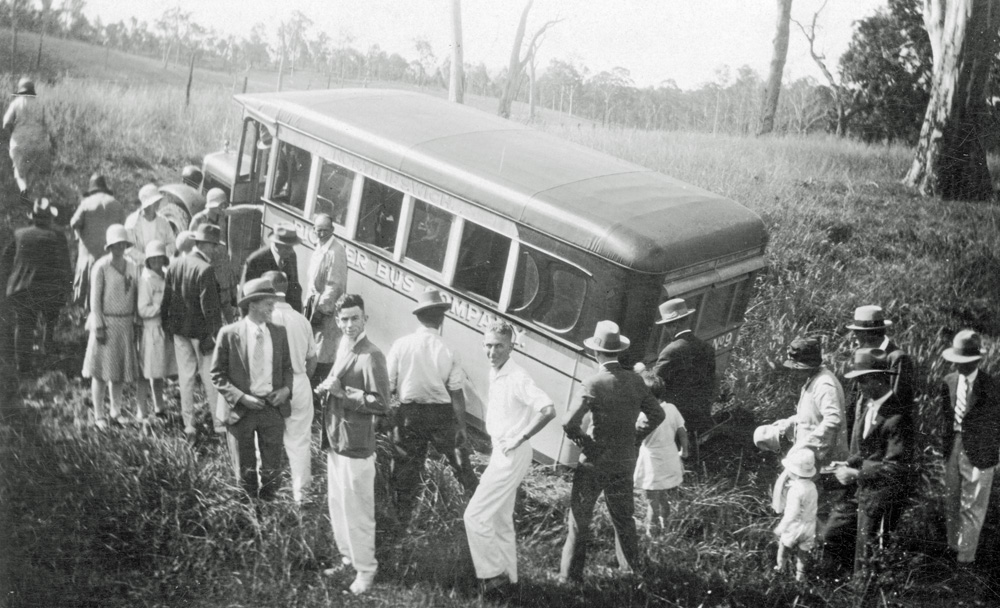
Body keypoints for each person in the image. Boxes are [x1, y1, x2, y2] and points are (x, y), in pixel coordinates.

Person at [558, 320, 665, 583]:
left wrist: (586, 443)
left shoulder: (593, 383)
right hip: (625, 460)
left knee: (579, 520)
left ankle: (569, 578)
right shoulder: (636, 381)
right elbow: (657, 413)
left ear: (596, 352)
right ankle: (631, 573)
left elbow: (568, 423)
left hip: (595, 462)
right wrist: (634, 437)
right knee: (624, 518)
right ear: (619, 352)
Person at [463, 321, 555, 596]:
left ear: (511, 347)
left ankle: (492, 577)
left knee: (475, 515)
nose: (492, 352)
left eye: (499, 346)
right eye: (488, 346)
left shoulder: (517, 377)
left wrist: (521, 437)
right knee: (501, 519)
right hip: (501, 451)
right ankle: (510, 578)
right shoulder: (498, 372)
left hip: (510, 453)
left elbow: (548, 410)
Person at [316, 293, 392, 596]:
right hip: (336, 441)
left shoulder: (372, 354)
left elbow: (382, 403)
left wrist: (341, 392)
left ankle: (366, 570)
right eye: (344, 319)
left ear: (365, 319)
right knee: (339, 505)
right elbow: (339, 384)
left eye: (354, 318)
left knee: (358, 511)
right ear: (337, 321)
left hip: (357, 446)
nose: (349, 324)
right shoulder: (343, 346)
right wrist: (328, 389)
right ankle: (349, 558)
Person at [387, 287, 479, 532]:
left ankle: (402, 524)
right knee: (461, 465)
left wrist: (388, 414)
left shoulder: (400, 345)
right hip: (441, 416)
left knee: (405, 471)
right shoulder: (449, 350)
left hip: (409, 415)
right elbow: (457, 392)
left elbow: (389, 385)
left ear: (418, 317)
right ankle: (481, 510)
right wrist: (460, 427)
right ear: (441, 318)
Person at [833, 348, 913, 597]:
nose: (859, 385)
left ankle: (863, 598)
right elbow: (866, 449)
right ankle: (844, 586)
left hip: (880, 496)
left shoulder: (898, 417)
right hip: (862, 490)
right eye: (857, 380)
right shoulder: (869, 407)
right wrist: (845, 465)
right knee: (833, 533)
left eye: (863, 379)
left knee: (867, 556)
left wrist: (857, 474)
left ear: (880, 378)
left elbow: (896, 467)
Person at [212, 277, 293, 500]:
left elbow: (288, 368)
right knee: (244, 471)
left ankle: (269, 512)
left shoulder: (279, 333)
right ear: (253, 305)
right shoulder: (229, 334)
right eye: (269, 304)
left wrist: (286, 390)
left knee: (272, 469)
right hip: (241, 411)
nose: (273, 308)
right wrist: (241, 397)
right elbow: (216, 374)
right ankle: (246, 513)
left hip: (271, 409)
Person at [939, 330, 1000, 566]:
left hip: (980, 451)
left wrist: (994, 455)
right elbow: (946, 418)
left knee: (972, 506)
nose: (959, 366)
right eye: (956, 361)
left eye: (964, 362)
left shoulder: (991, 386)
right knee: (952, 500)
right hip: (955, 444)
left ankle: (966, 561)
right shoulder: (948, 382)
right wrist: (948, 449)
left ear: (977, 360)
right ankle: (953, 549)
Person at [162, 223, 225, 440]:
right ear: (204, 244)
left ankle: (188, 424)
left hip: (180, 330)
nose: (216, 249)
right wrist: (213, 335)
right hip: (201, 334)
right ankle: (218, 425)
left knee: (185, 378)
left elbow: (166, 299)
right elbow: (210, 307)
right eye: (214, 245)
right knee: (210, 379)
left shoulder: (175, 264)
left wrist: (166, 325)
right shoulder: (204, 269)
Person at [263, 270, 318, 503]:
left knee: (264, 441)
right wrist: (302, 378)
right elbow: (312, 359)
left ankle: (263, 493)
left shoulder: (265, 319)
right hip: (299, 382)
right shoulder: (302, 320)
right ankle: (302, 498)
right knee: (299, 443)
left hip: (270, 387)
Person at [0, 198, 71, 375]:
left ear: (32, 217)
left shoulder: (19, 234)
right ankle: (48, 351)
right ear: (49, 218)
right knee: (51, 317)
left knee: (24, 325)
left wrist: (9, 280)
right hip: (47, 289)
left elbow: (6, 260)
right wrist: (66, 288)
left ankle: (23, 366)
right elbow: (65, 266)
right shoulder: (58, 236)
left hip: (21, 288)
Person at [81, 224, 139, 429]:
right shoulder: (101, 267)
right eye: (115, 244)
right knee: (101, 372)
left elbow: (136, 294)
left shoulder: (132, 265)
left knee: (119, 372)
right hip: (106, 323)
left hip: (125, 323)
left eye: (122, 244)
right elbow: (94, 301)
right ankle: (99, 415)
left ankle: (116, 411)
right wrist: (99, 327)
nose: (119, 247)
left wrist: (136, 323)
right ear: (109, 246)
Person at [771, 337, 849, 468]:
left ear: (810, 366)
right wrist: (789, 422)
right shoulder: (813, 379)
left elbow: (833, 420)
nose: (794, 371)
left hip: (826, 462)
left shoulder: (824, 384)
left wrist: (804, 445)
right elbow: (813, 416)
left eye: (798, 368)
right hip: (812, 459)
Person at [651, 298, 716, 455]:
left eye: (666, 326)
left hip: (676, 419)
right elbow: (712, 381)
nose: (666, 330)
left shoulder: (671, 351)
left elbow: (653, 382)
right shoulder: (706, 347)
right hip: (700, 414)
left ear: (672, 325)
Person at [634, 370, 689, 535]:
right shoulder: (671, 408)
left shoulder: (643, 415)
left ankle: (652, 537)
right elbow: (682, 431)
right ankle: (666, 526)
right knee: (663, 496)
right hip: (670, 456)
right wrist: (684, 450)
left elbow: (634, 437)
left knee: (652, 501)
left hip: (652, 461)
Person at [845, 305, 915, 424]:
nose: (854, 337)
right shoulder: (861, 355)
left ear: (868, 334)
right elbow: (856, 398)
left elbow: (898, 404)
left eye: (856, 332)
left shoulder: (896, 358)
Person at [304, 213, 348, 385]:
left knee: (322, 352)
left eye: (325, 231)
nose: (321, 234)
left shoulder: (336, 251)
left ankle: (317, 390)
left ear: (332, 230)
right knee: (311, 349)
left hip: (324, 313)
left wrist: (320, 310)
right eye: (318, 230)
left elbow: (334, 286)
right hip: (313, 306)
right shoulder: (320, 247)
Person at [70, 174, 124, 310]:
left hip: (90, 258)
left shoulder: (86, 203)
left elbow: (74, 223)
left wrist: (78, 236)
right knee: (110, 300)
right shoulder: (116, 204)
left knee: (90, 299)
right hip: (112, 259)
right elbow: (123, 228)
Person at [137, 240, 176, 420]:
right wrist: (161, 307)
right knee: (148, 370)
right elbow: (143, 309)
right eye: (152, 259)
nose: (156, 262)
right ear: (148, 261)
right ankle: (142, 409)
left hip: (165, 328)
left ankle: (159, 407)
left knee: (160, 369)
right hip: (152, 329)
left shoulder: (167, 276)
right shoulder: (146, 280)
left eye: (159, 258)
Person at [2, 77, 54, 200]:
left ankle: (24, 189)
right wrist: (52, 140)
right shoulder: (41, 104)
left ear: (20, 90)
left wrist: (11, 134)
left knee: (19, 171)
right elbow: (51, 124)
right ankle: (29, 193)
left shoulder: (16, 103)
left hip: (19, 142)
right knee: (33, 169)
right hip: (38, 142)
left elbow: (6, 123)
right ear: (32, 90)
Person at [190, 189, 238, 322]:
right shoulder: (198, 220)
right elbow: (190, 243)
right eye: (221, 205)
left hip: (222, 265)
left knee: (226, 302)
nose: (223, 208)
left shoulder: (221, 215)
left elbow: (237, 211)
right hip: (208, 264)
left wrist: (255, 208)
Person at [773, 448, 818, 582]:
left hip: (795, 525)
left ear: (793, 473)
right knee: (803, 553)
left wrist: (781, 527)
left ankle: (780, 567)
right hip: (809, 526)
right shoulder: (812, 487)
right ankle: (800, 575)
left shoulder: (795, 490)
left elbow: (792, 513)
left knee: (784, 546)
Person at [242, 223, 303, 313]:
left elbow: (295, 290)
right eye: (287, 247)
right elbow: (245, 295)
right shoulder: (256, 260)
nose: (291, 251)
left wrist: (297, 316)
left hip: (284, 316)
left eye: (292, 247)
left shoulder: (291, 256)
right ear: (276, 244)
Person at [125, 184, 176, 267]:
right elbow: (127, 248)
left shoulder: (163, 221)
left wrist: (159, 257)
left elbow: (172, 243)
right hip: (138, 267)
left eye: (157, 201)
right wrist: (146, 259)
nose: (157, 203)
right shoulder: (132, 222)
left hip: (160, 267)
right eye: (154, 202)